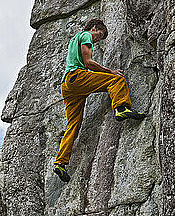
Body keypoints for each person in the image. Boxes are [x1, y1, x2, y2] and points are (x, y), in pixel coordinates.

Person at [53, 18, 147, 182]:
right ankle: (121, 108)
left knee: (73, 126)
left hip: (68, 87)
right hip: (77, 77)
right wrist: (110, 71)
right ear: (94, 28)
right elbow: (88, 62)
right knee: (116, 80)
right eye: (99, 35)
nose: (96, 40)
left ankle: (60, 163)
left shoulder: (74, 40)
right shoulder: (85, 35)